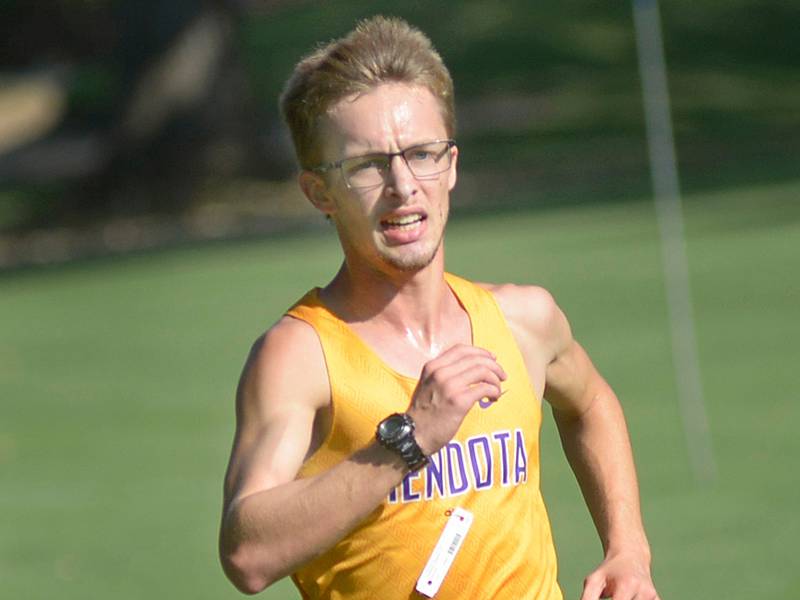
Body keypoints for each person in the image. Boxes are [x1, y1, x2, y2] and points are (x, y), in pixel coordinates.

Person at [219, 15, 659, 600]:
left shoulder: (523, 321)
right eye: (367, 165)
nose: (403, 185)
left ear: (451, 163)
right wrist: (407, 440)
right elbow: (247, 555)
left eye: (422, 153)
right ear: (318, 192)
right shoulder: (301, 355)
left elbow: (591, 405)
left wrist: (627, 550)